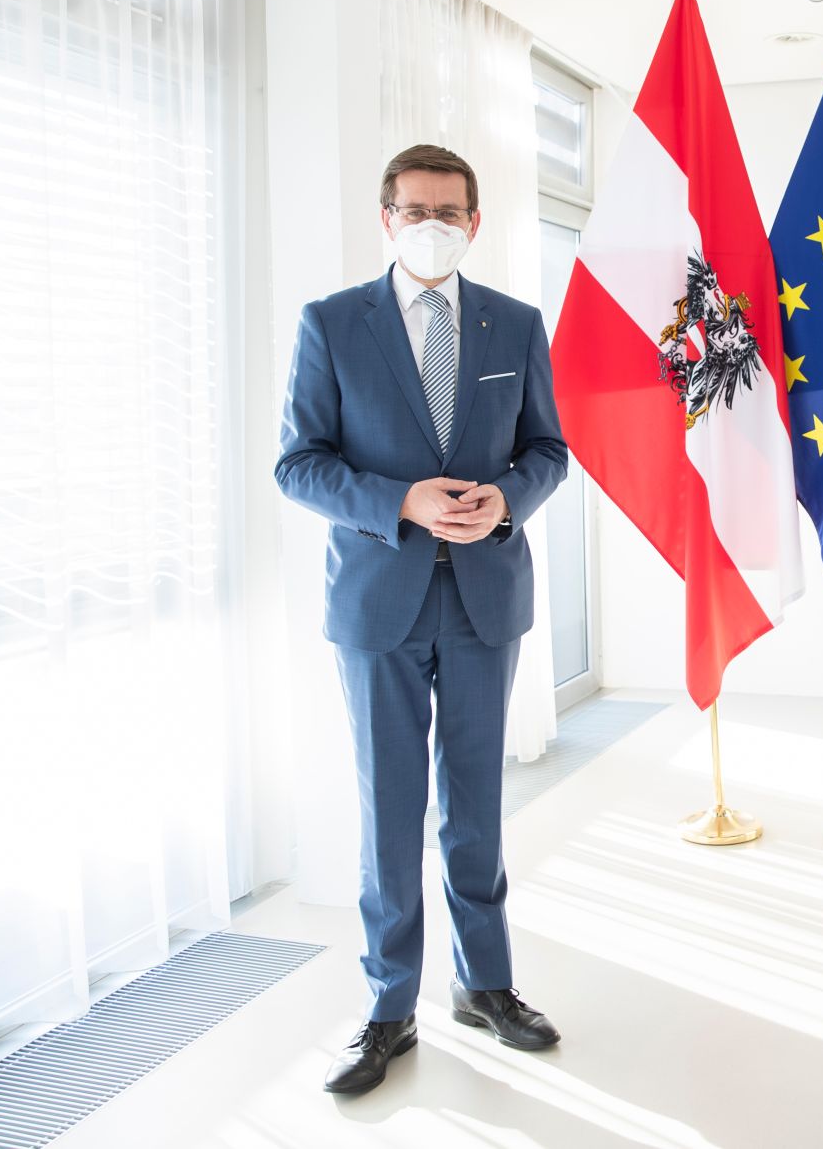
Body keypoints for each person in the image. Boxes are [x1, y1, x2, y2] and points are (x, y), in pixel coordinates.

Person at [276, 144, 569, 1095]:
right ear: (387, 217)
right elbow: (299, 463)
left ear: (475, 223)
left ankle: (486, 984)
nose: (431, 224)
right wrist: (398, 502)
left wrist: (509, 498)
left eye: (449, 210)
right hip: (378, 604)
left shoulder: (514, 323)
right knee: (389, 814)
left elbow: (548, 449)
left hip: (486, 599)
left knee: (475, 808)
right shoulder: (331, 323)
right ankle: (386, 1006)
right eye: (414, 209)